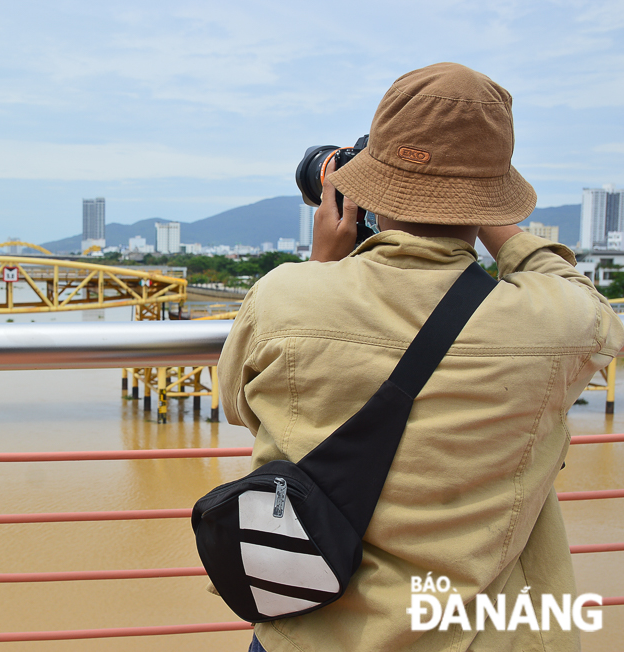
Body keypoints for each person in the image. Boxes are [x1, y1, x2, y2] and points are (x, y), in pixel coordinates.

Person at [218, 62, 624, 651]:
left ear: (366, 186)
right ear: (491, 194)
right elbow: (586, 303)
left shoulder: (284, 299)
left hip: (311, 635)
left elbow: (235, 403)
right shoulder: (558, 320)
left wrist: (322, 266)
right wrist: (486, 207)